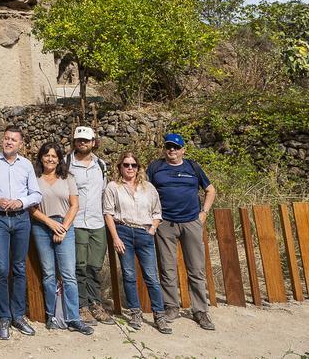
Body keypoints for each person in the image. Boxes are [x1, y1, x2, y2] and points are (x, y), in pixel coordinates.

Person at [147, 132, 217, 331]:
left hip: (191, 222)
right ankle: (171, 307)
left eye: (176, 147)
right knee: (167, 268)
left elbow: (210, 190)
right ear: (164, 149)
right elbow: (144, 190)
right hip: (165, 223)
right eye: (169, 147)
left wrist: (203, 213)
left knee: (196, 268)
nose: (172, 151)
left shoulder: (193, 167)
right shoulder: (155, 167)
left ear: (183, 150)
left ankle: (200, 310)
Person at [0, 126, 42, 340]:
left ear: (20, 144)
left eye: (13, 140)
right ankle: (4, 317)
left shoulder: (26, 165)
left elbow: (36, 193)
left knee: (18, 267)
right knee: (1, 267)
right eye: (6, 138)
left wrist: (20, 202)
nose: (9, 142)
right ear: (2, 140)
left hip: (21, 220)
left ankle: (18, 315)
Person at [29, 142, 94, 335]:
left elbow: (74, 205)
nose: (50, 159)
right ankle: (52, 315)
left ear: (59, 160)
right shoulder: (34, 178)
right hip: (41, 227)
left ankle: (73, 318)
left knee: (68, 275)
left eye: (54, 156)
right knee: (48, 274)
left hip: (65, 227)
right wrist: (50, 224)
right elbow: (31, 207)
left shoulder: (67, 177)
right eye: (47, 155)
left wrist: (63, 228)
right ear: (41, 157)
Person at [104, 152, 171, 334]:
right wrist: (115, 237)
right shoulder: (113, 187)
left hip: (144, 232)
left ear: (139, 167)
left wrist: (151, 231)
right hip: (123, 231)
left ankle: (159, 315)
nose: (130, 168)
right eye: (126, 165)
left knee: (151, 276)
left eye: (133, 165)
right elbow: (108, 213)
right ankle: (135, 313)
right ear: (120, 167)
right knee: (129, 275)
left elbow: (157, 213)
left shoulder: (148, 187)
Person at [68, 126, 114, 325]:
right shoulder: (66, 164)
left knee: (94, 267)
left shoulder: (101, 165)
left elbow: (105, 193)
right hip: (76, 222)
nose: (82, 143)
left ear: (94, 142)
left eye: (86, 140)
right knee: (79, 266)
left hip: (97, 222)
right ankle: (82, 306)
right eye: (79, 140)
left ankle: (96, 303)